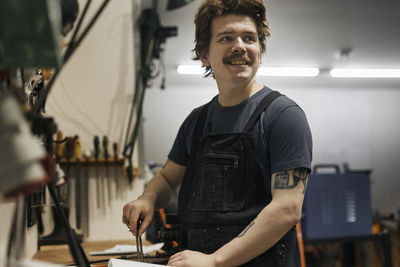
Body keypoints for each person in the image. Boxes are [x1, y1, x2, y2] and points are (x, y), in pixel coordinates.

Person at [122, 0, 312, 266]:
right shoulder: (197, 121)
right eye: (226, 38)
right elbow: (167, 178)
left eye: (249, 38)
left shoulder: (283, 116)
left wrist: (215, 261)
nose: (240, 46)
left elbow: (287, 209)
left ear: (259, 48)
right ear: (204, 54)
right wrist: (148, 197)